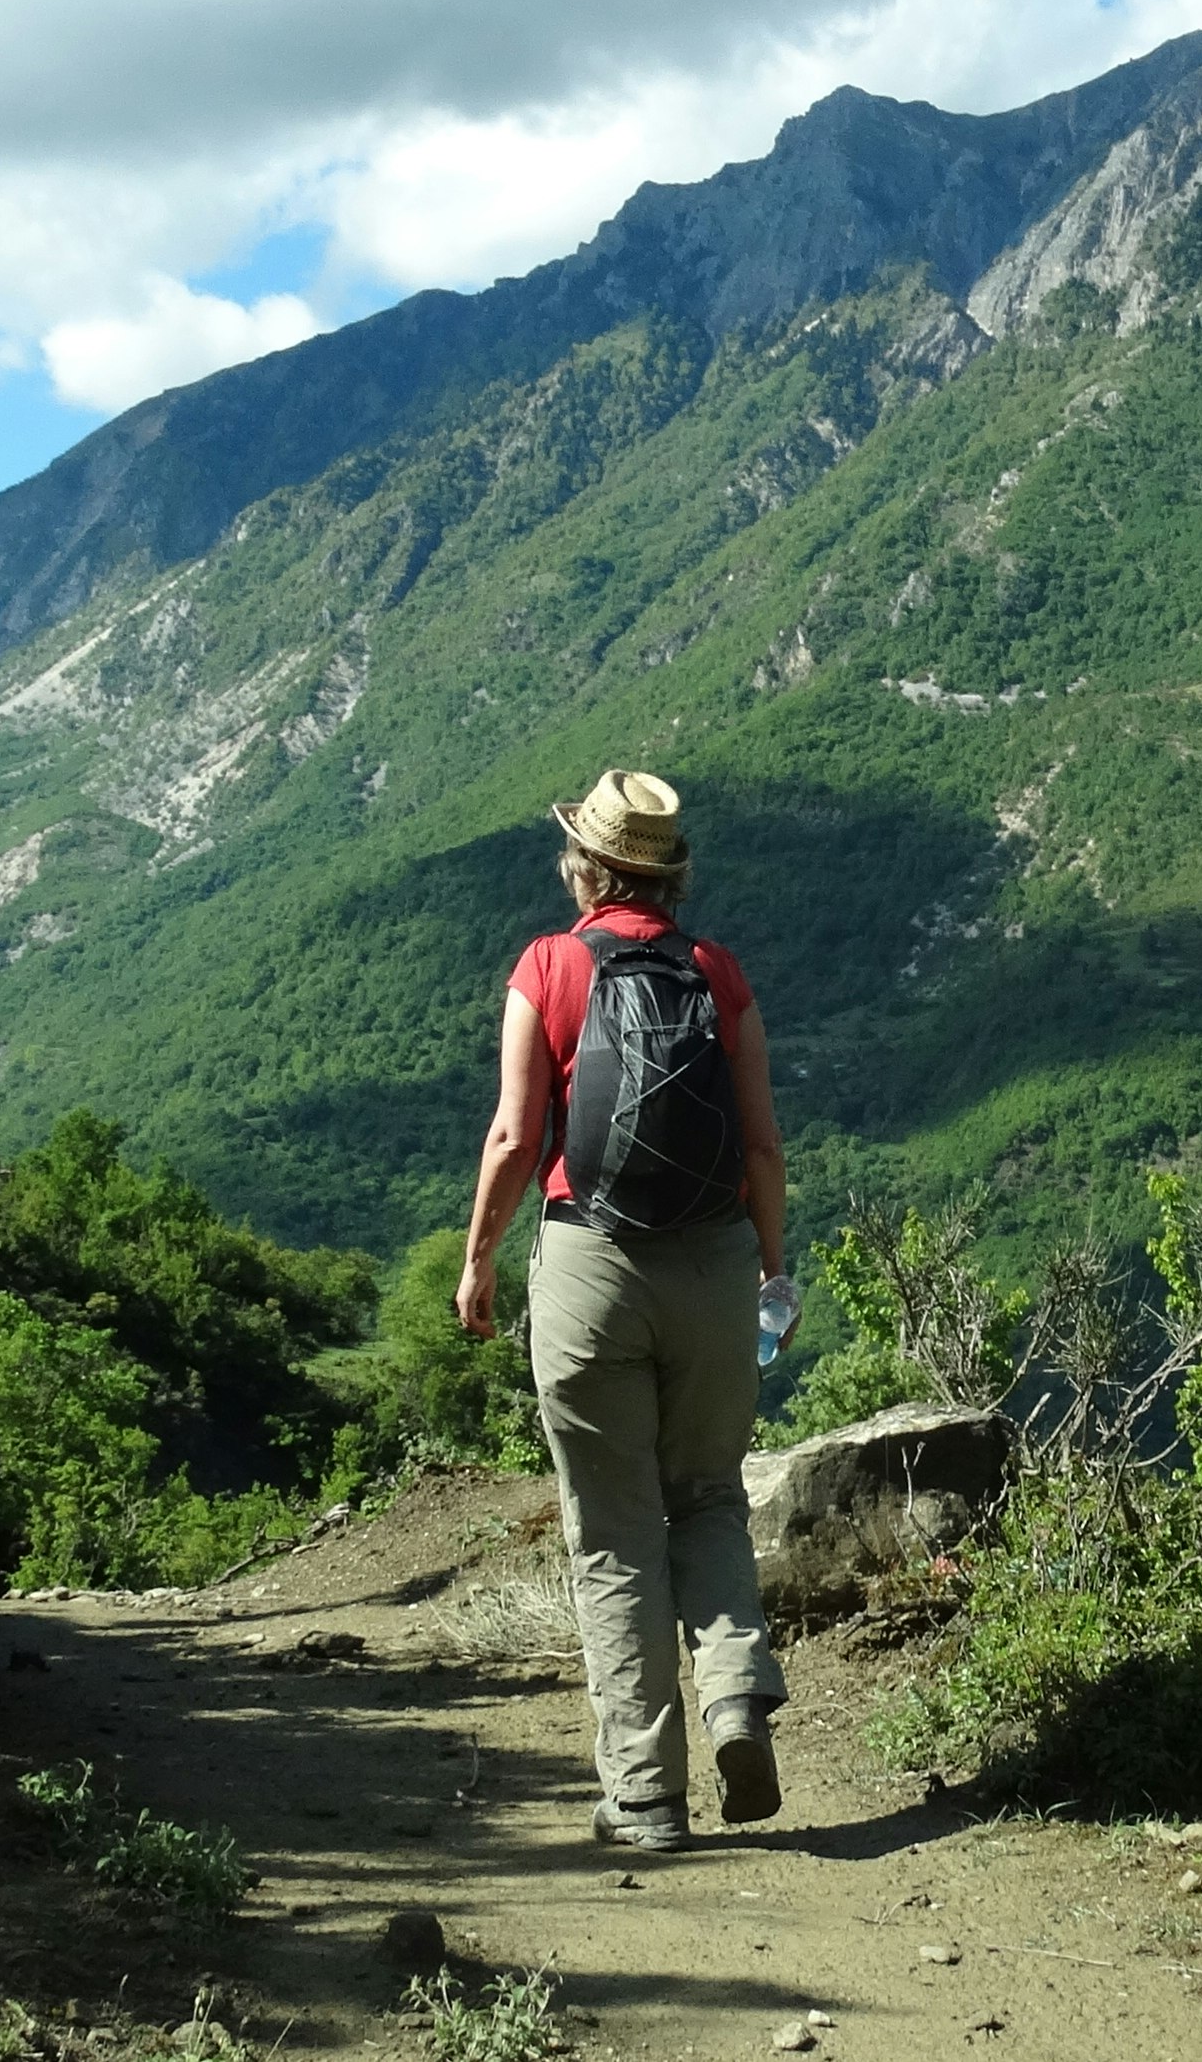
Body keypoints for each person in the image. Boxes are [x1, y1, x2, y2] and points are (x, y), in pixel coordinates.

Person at [455, 767, 795, 1854]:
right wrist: (770, 1271)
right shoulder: (717, 972)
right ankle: (735, 1697)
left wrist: (479, 1259)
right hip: (714, 1267)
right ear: (670, 872)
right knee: (708, 1497)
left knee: (613, 1535)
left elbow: (516, 1137)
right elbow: (760, 1145)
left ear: (586, 867)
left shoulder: (549, 966)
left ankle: (645, 1795)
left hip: (589, 1268)